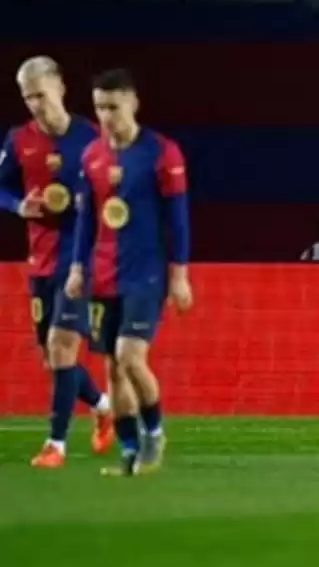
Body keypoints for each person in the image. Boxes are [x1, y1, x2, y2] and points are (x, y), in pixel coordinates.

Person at [64, 68, 195, 476]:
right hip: (103, 274)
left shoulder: (161, 152)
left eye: (113, 107)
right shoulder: (91, 156)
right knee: (112, 367)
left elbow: (178, 219)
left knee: (130, 355)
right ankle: (128, 451)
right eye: (100, 108)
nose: (106, 116)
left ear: (133, 103)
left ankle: (154, 434)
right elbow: (86, 219)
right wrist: (77, 268)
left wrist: (179, 274)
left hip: (146, 273)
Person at [1, 57, 114, 468]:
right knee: (53, 360)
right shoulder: (18, 140)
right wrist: (19, 205)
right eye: (28, 97)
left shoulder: (93, 138)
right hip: (41, 260)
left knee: (62, 344)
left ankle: (56, 444)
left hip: (82, 258)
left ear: (60, 89)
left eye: (41, 95)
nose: (35, 105)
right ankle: (102, 406)